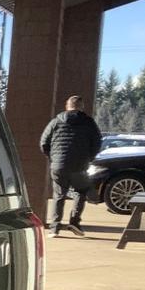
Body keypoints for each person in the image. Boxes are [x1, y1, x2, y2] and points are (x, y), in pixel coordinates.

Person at [39, 95, 103, 236]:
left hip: (58, 166)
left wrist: (53, 158)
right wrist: (89, 158)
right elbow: (97, 142)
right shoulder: (89, 122)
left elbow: (44, 143)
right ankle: (74, 222)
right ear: (81, 107)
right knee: (81, 191)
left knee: (59, 195)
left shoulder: (55, 122)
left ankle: (55, 228)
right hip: (79, 165)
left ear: (67, 106)